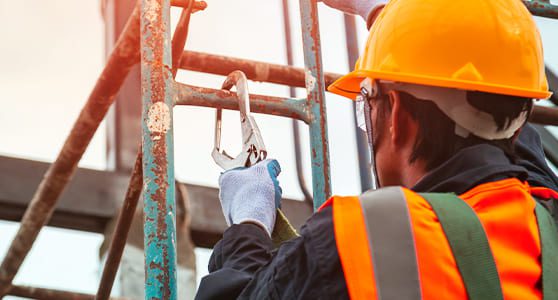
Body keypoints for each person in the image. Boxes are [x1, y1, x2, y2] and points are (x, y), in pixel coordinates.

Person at [196, 0, 558, 299]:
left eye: (366, 104)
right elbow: (497, 120)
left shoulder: (359, 237)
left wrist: (248, 224)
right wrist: (395, 19)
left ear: (396, 116)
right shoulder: (546, 219)